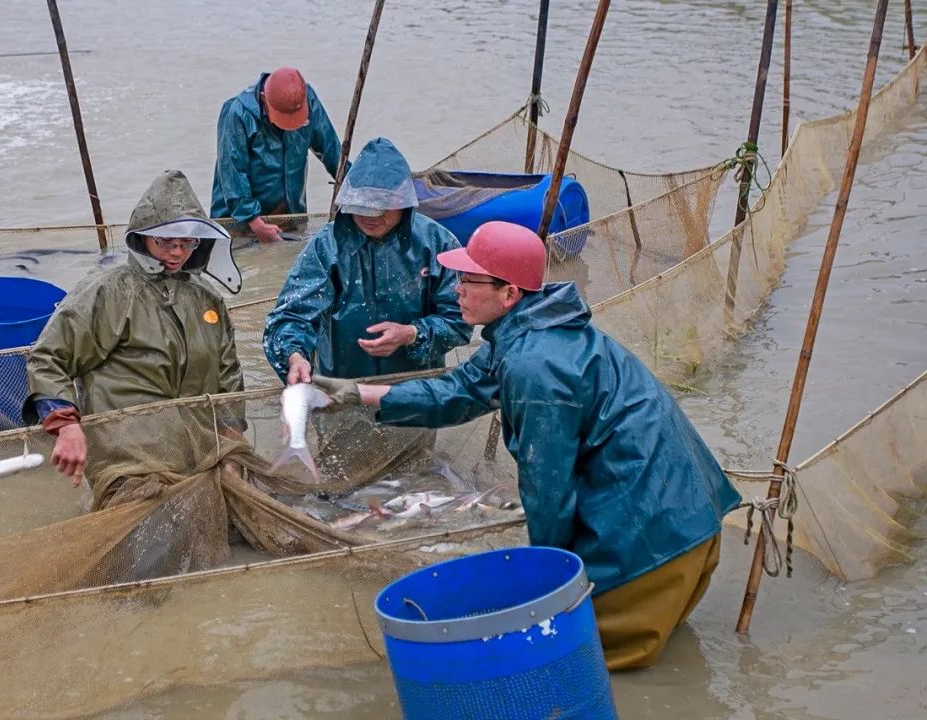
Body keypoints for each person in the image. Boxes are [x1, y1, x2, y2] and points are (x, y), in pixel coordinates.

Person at [310, 221, 742, 670]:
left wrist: (547, 583)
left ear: (509, 293)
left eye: (468, 280)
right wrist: (358, 394)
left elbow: (547, 489)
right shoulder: (534, 328)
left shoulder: (535, 365)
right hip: (695, 524)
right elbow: (459, 390)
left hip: (655, 554)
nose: (455, 290)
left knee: (567, 663)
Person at [24, 169, 246, 509]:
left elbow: (229, 375)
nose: (176, 253)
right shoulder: (107, 291)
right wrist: (66, 427)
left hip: (201, 452)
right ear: (141, 237)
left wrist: (232, 439)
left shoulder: (207, 298)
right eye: (165, 242)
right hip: (129, 458)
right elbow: (48, 358)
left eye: (187, 243)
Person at [262, 137, 472, 481]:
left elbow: (460, 322)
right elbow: (289, 317)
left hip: (414, 391)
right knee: (342, 481)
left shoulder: (438, 244)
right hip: (342, 391)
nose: (369, 216)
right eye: (361, 206)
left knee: (411, 479)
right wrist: (295, 356)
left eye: (381, 208)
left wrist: (413, 334)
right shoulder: (326, 246)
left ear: (404, 204)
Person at [211, 66, 344, 243]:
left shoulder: (308, 99)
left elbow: (331, 151)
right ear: (264, 99)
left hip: (289, 213)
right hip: (239, 220)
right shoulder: (237, 113)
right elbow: (232, 173)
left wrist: (353, 189)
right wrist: (254, 221)